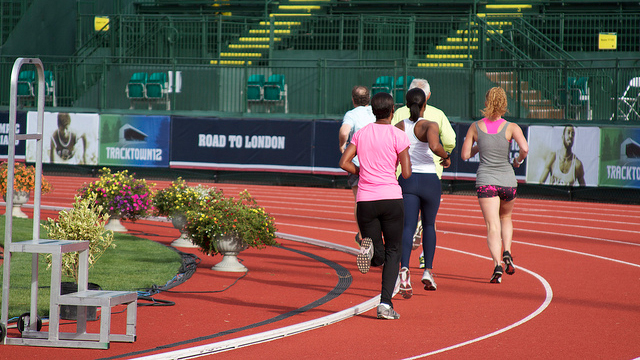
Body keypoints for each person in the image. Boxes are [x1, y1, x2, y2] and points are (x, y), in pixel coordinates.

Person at [339, 92, 411, 319]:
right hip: (390, 197)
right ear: (392, 111)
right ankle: (385, 305)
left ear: (373, 111)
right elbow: (407, 173)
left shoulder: (361, 133)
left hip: (366, 200)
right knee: (393, 251)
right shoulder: (397, 134)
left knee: (378, 255)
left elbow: (343, 162)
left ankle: (369, 249)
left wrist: (361, 171)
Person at [460, 87, 529, 284]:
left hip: (486, 181)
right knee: (506, 217)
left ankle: (497, 264)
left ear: (486, 102)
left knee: (492, 225)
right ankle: (507, 251)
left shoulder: (476, 127)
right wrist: (518, 160)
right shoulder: (511, 127)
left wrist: (480, 145)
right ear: (504, 103)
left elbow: (465, 156)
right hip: (508, 180)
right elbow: (524, 148)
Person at [392, 78, 456, 269]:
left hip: (407, 178)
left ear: (406, 103)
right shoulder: (431, 123)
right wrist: (446, 157)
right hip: (430, 179)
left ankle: (403, 268)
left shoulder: (399, 125)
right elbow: (437, 145)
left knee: (407, 226)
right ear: (425, 103)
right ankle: (427, 269)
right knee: (428, 225)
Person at [338, 85, 376, 244]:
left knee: (359, 200)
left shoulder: (351, 114)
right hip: (377, 162)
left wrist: (342, 145)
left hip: (357, 163)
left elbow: (344, 132)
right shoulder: (377, 111)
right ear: (369, 98)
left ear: (353, 100)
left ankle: (362, 235)